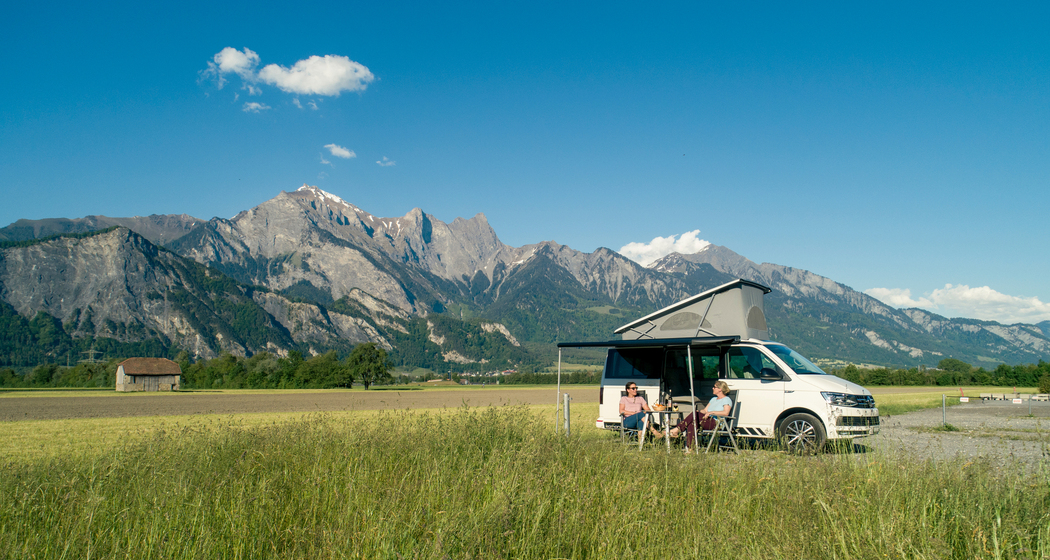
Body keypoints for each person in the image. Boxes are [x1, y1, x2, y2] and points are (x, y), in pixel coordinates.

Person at [669, 380, 732, 452]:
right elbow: (705, 410)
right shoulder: (713, 399)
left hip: (717, 423)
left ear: (720, 389)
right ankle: (691, 449)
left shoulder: (726, 399)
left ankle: (677, 430)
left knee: (694, 417)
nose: (712, 388)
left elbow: (726, 413)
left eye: (714, 387)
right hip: (707, 420)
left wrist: (711, 412)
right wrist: (699, 412)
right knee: (693, 422)